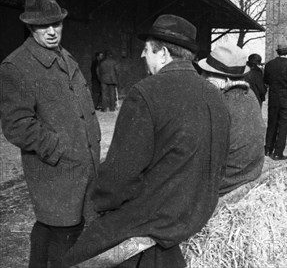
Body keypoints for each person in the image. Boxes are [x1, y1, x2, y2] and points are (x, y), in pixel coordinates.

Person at [63, 14, 231, 267]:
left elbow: (120, 176)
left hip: (155, 216)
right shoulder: (215, 95)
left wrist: (98, 205)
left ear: (163, 53)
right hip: (196, 210)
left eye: (146, 50)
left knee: (73, 258)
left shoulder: (145, 93)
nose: (142, 56)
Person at [0, 0, 101, 267]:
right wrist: (59, 149)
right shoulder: (16, 66)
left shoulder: (66, 58)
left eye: (56, 24)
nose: (52, 31)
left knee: (65, 238)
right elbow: (16, 125)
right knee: (59, 238)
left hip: (83, 170)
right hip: (55, 173)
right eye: (44, 26)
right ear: (31, 27)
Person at [199, 45, 265, 195]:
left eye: (208, 74)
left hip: (226, 183)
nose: (202, 77)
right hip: (250, 174)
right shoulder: (249, 95)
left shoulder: (220, 103)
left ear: (226, 79)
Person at [263, 44, 287, 161]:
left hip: (274, 98)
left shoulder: (269, 64)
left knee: (272, 124)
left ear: (277, 52)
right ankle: (278, 152)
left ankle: (268, 149)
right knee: (283, 126)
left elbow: (266, 81)